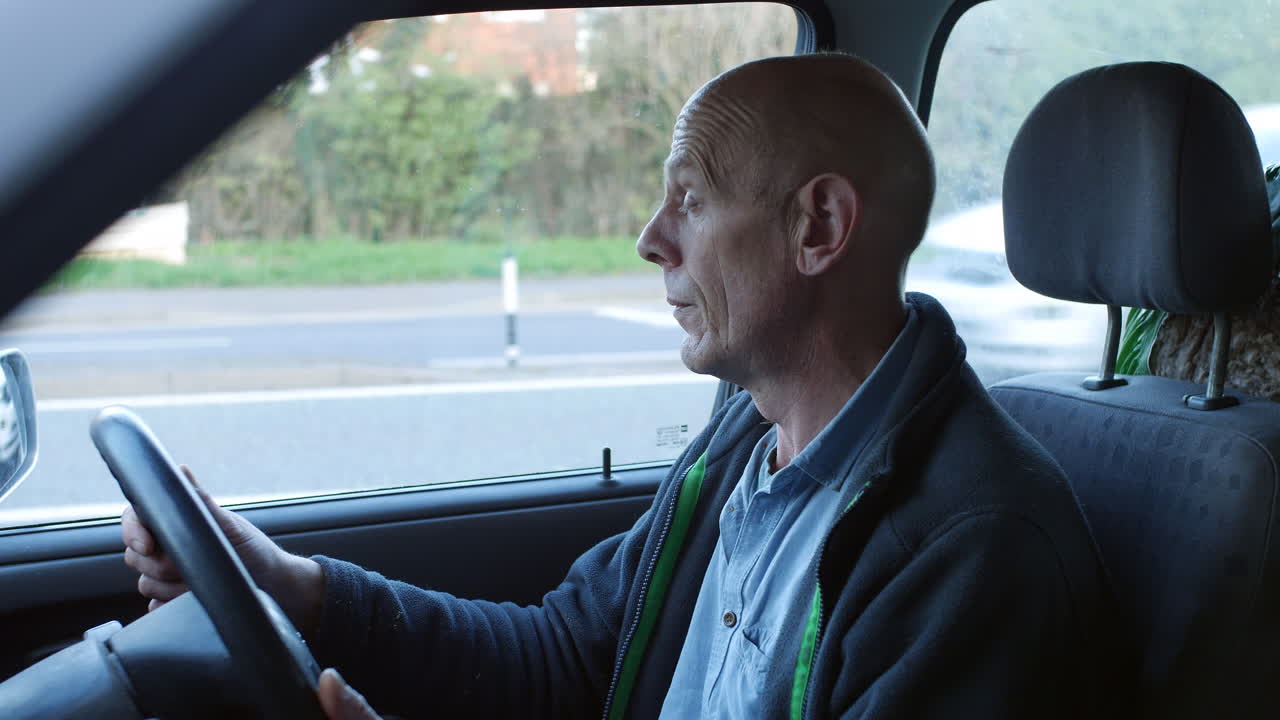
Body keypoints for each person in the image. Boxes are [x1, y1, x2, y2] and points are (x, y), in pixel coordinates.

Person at [123, 53, 1119, 719]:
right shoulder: (743, 444)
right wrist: (291, 588)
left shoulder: (973, 547)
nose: (650, 240)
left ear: (819, 226)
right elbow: (566, 657)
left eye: (688, 199)